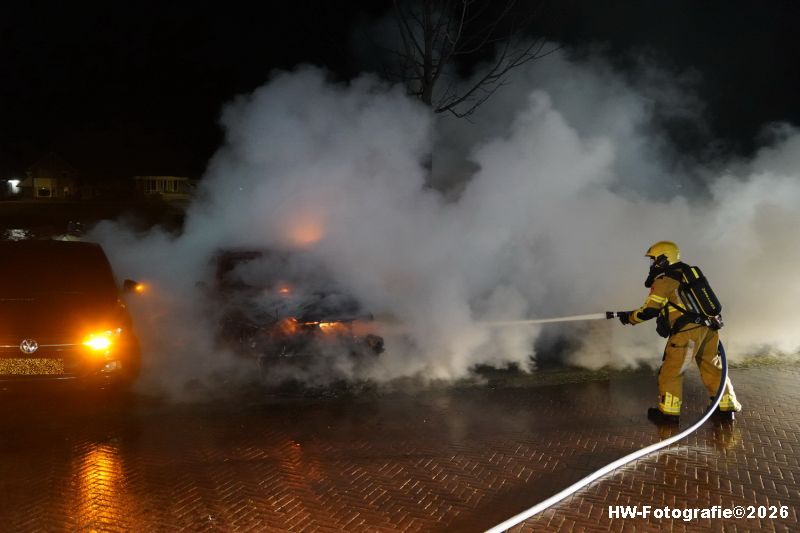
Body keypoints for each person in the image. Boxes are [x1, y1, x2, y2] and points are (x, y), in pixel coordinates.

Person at [617, 241, 742, 423]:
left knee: (671, 371)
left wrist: (629, 318)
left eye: (654, 260)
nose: (653, 264)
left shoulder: (665, 279)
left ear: (664, 258)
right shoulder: (688, 274)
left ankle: (668, 414)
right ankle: (726, 407)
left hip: (687, 333)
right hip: (709, 330)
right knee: (713, 368)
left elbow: (650, 310)